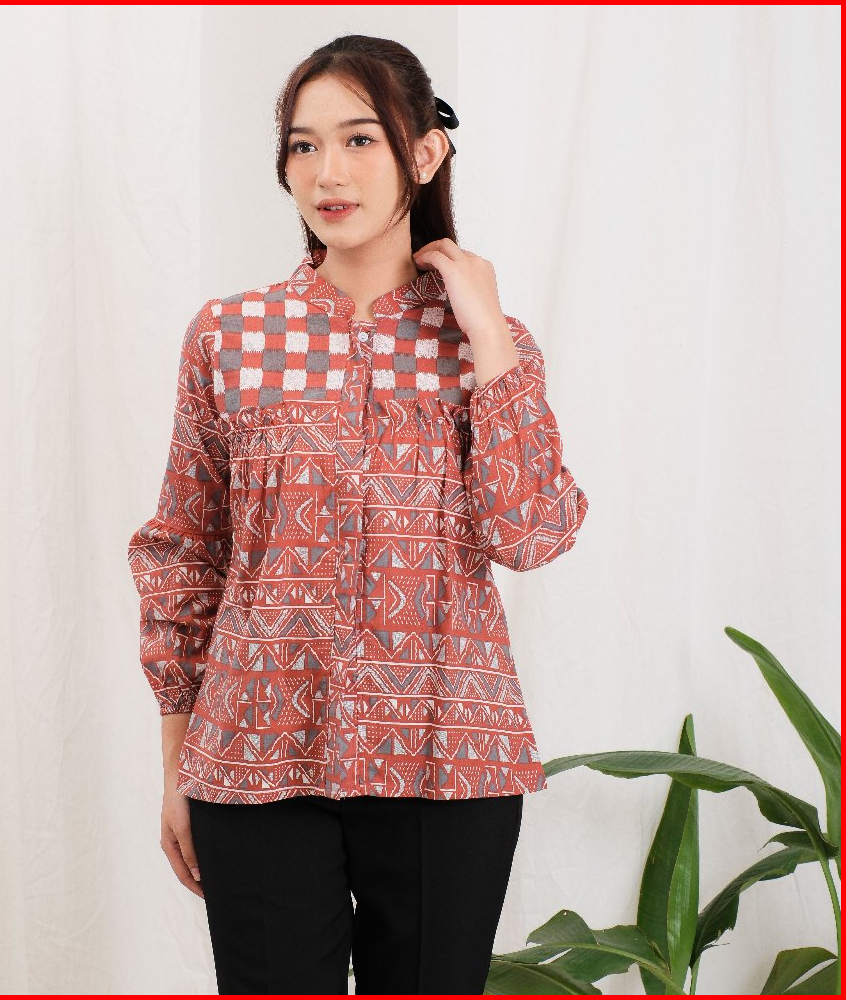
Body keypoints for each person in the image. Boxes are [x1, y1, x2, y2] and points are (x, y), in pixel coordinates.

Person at [126, 33, 590, 996]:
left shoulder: (492, 345)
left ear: (424, 152)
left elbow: (533, 532)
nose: (327, 172)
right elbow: (183, 554)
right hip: (254, 758)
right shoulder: (229, 336)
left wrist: (489, 334)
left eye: (359, 140)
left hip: (446, 762)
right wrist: (176, 767)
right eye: (303, 146)